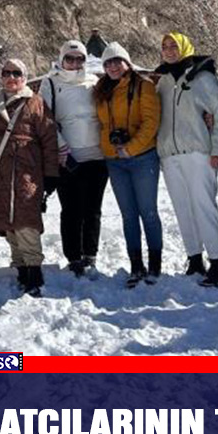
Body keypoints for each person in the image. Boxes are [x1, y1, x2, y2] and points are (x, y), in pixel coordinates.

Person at [153, 32, 218, 287]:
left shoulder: (203, 77)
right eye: (165, 46)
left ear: (185, 47)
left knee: (204, 207)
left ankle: (217, 263)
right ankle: (194, 258)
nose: (169, 50)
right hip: (170, 155)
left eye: (174, 46)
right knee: (183, 208)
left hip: (198, 152)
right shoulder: (162, 80)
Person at [0, 58, 59, 296]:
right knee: (8, 222)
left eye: (16, 73)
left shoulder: (35, 102)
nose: (11, 77)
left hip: (28, 172)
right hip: (2, 175)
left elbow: (49, 140)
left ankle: (34, 271)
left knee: (26, 221)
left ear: (24, 77)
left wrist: (50, 174)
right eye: (6, 73)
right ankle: (20, 268)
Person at [94, 41, 162, 288]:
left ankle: (155, 264)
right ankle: (136, 265)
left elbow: (151, 122)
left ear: (127, 63)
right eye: (108, 63)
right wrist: (111, 149)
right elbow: (100, 125)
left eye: (117, 61)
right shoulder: (101, 89)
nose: (113, 66)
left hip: (143, 157)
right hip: (115, 161)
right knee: (128, 215)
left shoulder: (144, 86)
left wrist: (131, 148)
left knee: (149, 212)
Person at [41, 40, 108, 277]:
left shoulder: (95, 82)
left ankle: (90, 253)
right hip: (67, 158)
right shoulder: (50, 83)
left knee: (93, 209)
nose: (75, 63)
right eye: (70, 59)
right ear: (61, 60)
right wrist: (61, 147)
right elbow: (45, 119)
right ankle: (74, 256)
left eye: (80, 58)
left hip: (97, 157)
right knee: (71, 209)